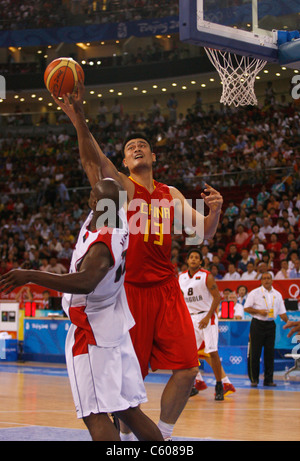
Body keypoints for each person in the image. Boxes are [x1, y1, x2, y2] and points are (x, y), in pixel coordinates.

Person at [52, 82, 223, 441]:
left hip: (165, 289)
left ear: (153, 157)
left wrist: (216, 211)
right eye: (131, 148)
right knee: (128, 380)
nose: (137, 148)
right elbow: (95, 159)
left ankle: (163, 435)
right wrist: (78, 117)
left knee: (189, 368)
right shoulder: (123, 189)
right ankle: (129, 439)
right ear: (126, 163)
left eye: (143, 145)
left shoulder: (171, 195)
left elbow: (204, 233)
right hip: (128, 293)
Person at [0, 179, 163, 442]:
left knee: (94, 414)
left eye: (92, 194)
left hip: (91, 332)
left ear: (94, 202)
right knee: (128, 411)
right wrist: (82, 134)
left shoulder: (101, 244)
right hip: (115, 327)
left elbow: (86, 282)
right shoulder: (117, 214)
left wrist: (30, 275)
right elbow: (93, 167)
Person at [179, 248, 236, 401]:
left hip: (206, 317)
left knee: (212, 351)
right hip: (190, 318)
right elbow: (180, 300)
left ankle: (219, 386)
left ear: (200, 261)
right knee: (188, 354)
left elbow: (217, 298)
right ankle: (195, 383)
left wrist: (208, 316)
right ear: (187, 260)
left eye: (196, 257)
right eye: (191, 257)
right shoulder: (181, 278)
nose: (193, 259)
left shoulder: (206, 276)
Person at [244, 273, 288, 387]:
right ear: (261, 280)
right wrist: (259, 312)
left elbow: (282, 312)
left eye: (269, 278)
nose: (267, 280)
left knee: (270, 354)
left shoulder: (277, 294)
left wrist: (289, 323)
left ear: (272, 280)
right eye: (264, 278)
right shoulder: (255, 292)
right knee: (255, 353)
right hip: (257, 324)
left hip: (270, 325)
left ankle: (268, 380)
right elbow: (246, 308)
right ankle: (254, 379)